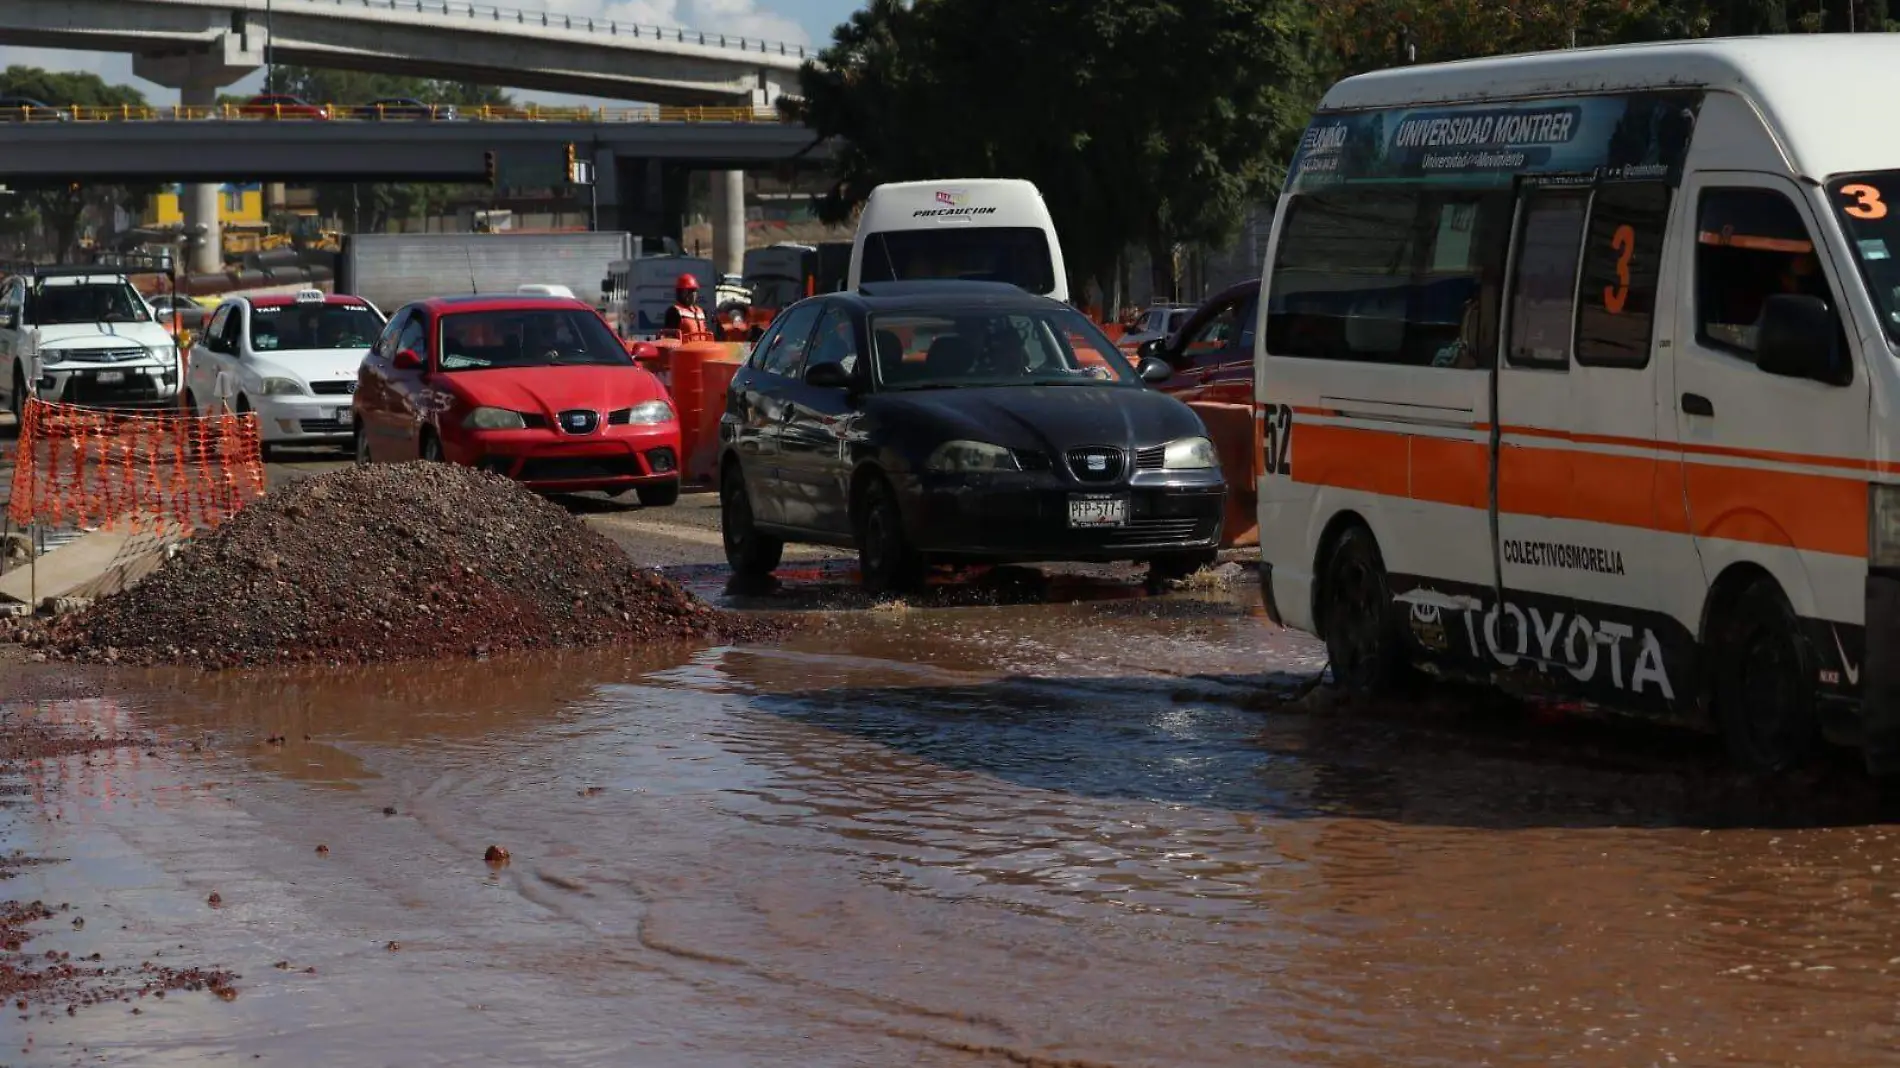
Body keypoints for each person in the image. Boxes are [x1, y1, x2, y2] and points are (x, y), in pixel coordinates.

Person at [664, 274, 709, 340]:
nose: (693, 294)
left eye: (694, 290)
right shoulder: (674, 312)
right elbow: (669, 339)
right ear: (680, 292)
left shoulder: (702, 312)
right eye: (689, 291)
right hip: (684, 350)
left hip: (701, 349)